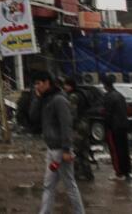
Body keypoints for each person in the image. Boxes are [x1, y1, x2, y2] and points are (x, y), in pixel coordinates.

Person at [29, 72, 85, 214]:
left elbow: (66, 124)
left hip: (60, 150)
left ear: (47, 82)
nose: (37, 86)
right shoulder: (45, 99)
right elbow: (33, 116)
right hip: (51, 149)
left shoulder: (59, 100)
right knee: (48, 185)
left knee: (69, 185)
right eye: (35, 84)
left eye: (39, 83)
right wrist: (37, 97)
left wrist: (67, 149)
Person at [61, 76, 95, 181]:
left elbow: (72, 114)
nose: (64, 87)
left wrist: (68, 126)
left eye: (65, 85)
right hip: (86, 124)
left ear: (69, 85)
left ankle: (75, 174)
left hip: (79, 126)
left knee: (75, 150)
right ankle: (88, 173)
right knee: (84, 149)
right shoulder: (82, 93)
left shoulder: (73, 96)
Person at [102, 75, 132, 181]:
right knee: (124, 150)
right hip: (123, 125)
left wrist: (106, 127)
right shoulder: (119, 95)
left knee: (115, 150)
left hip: (114, 127)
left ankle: (119, 173)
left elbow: (107, 114)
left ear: (105, 85)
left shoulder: (108, 97)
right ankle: (127, 171)